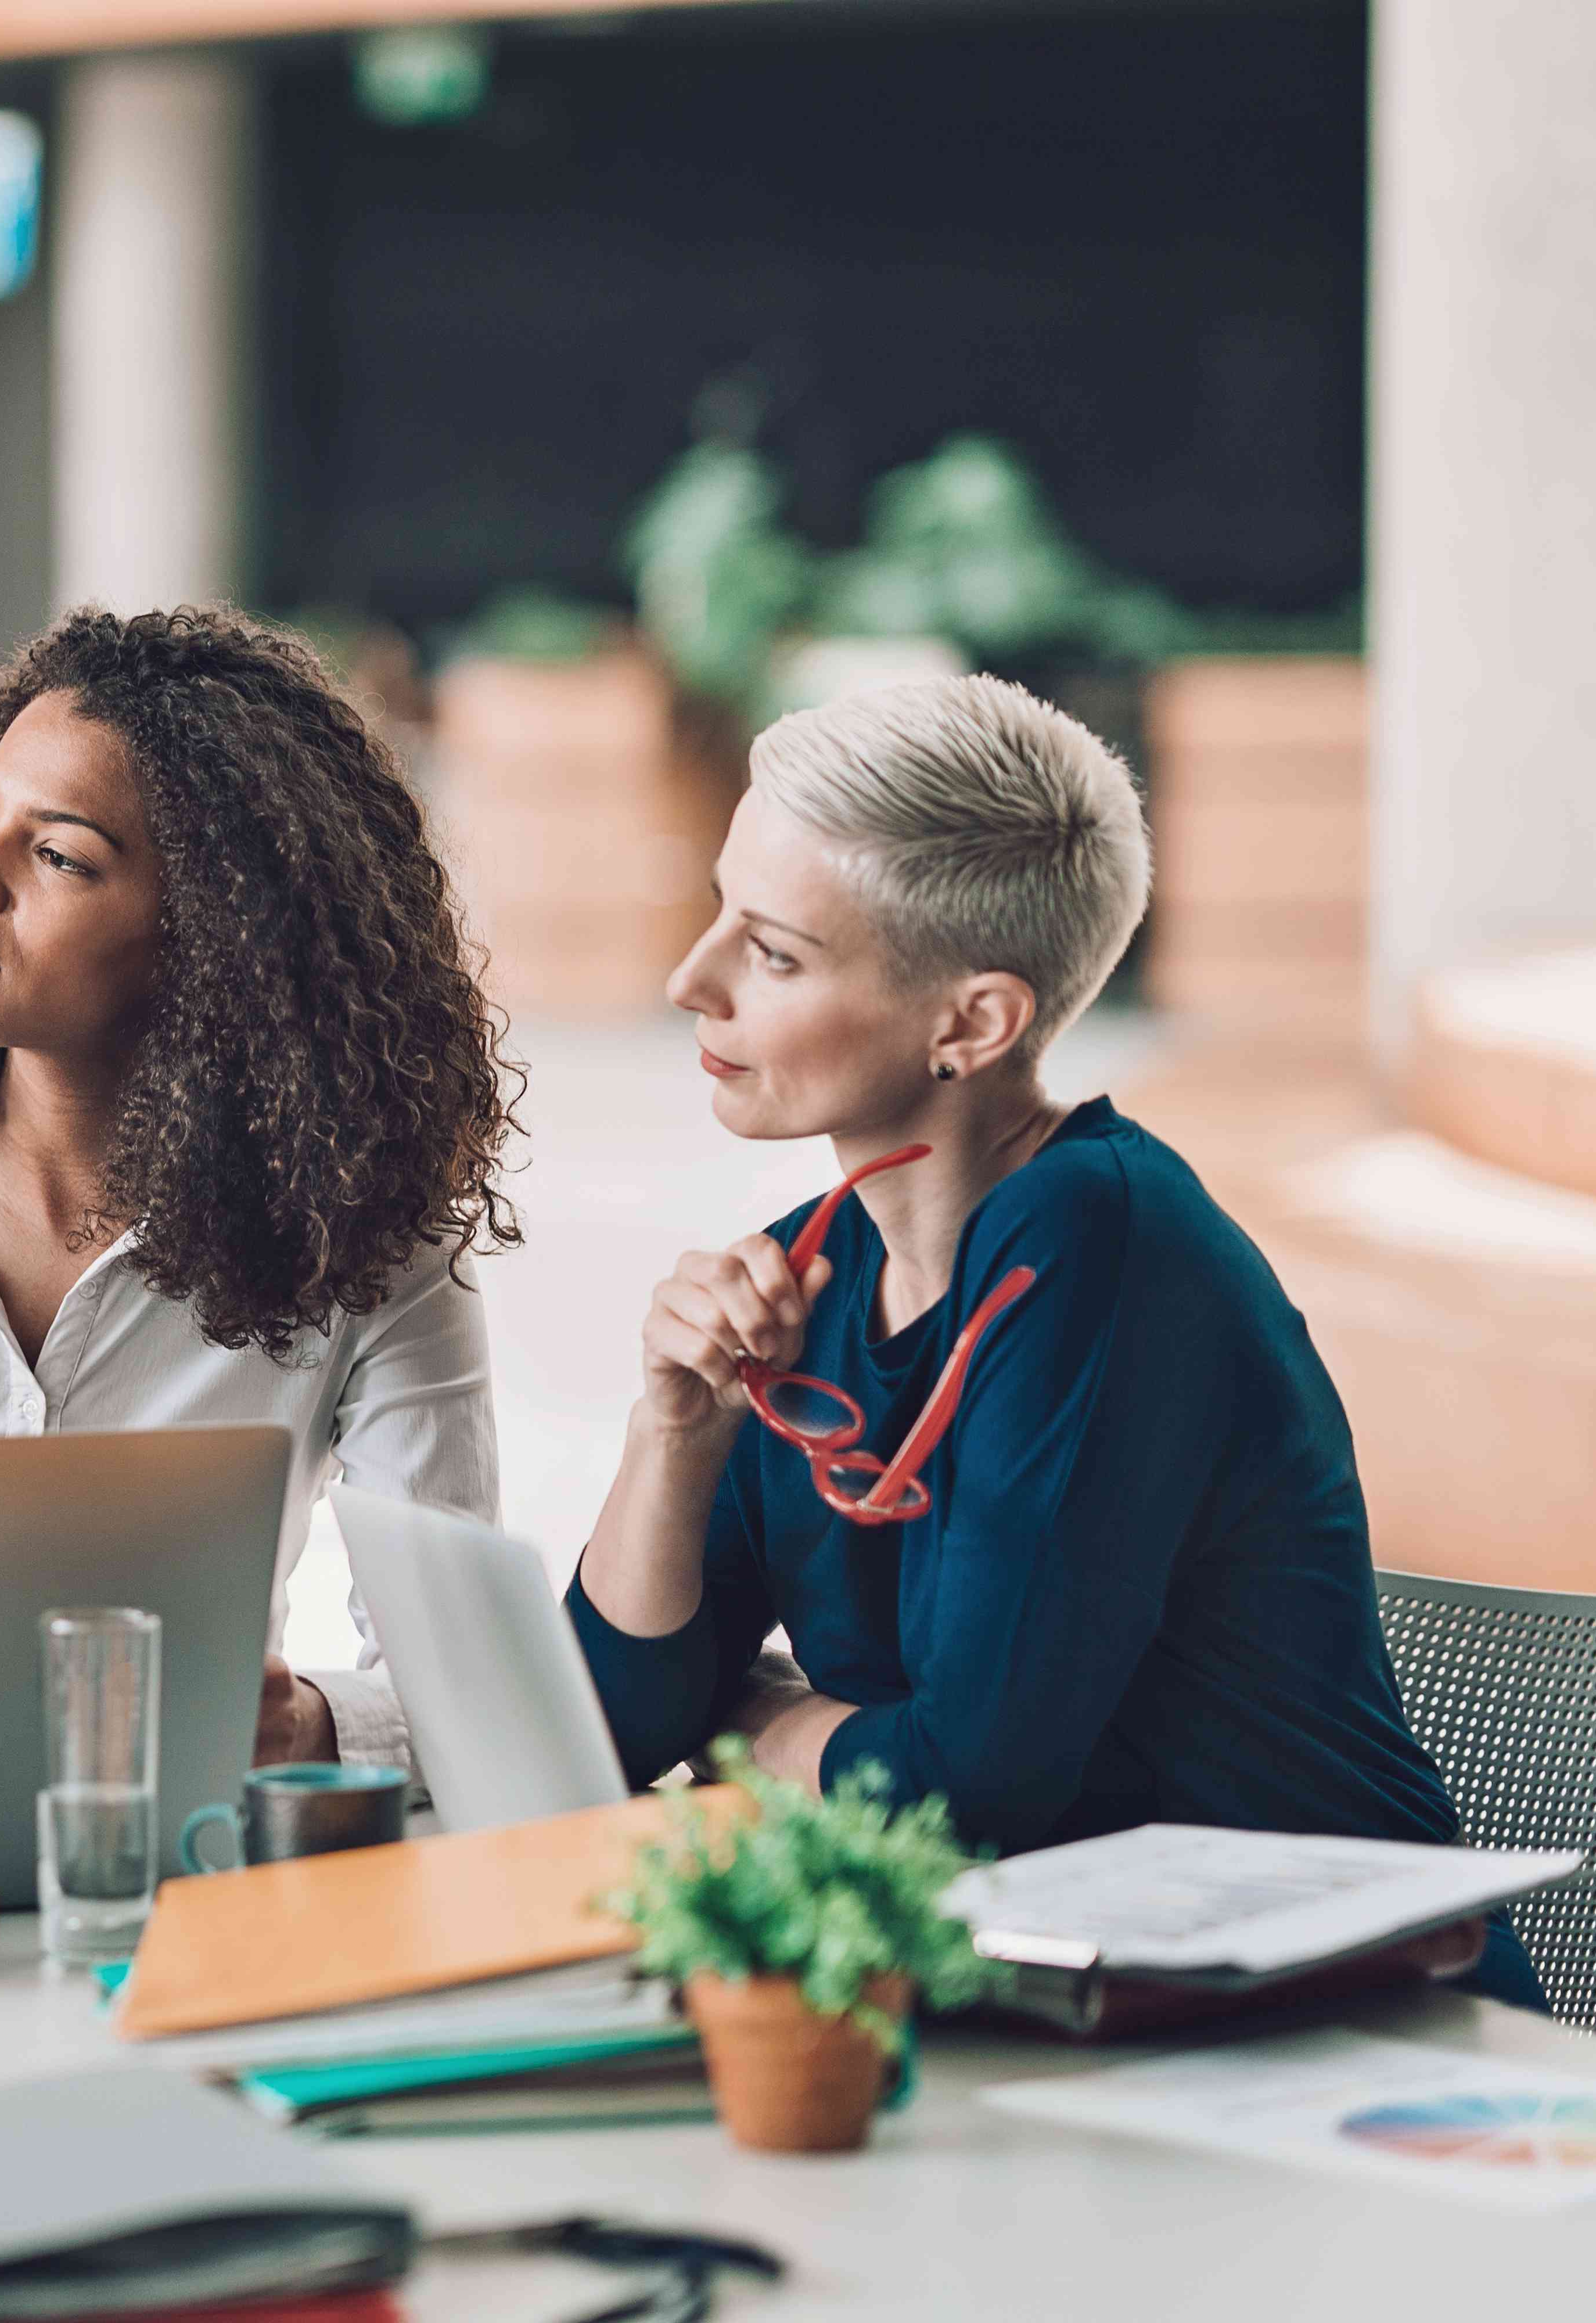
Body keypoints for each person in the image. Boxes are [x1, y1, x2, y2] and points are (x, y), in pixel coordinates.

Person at [566, 674, 1539, 2008]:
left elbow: (971, 1785)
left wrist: (754, 1719)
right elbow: (610, 1728)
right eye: (720, 912)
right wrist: (673, 1435)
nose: (691, 979)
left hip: (1352, 2026)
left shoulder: (1104, 1241)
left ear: (972, 1023)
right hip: (1055, 2007)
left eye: (775, 953)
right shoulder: (816, 1264)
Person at [0, 606, 519, 1765]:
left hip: (176, 1868)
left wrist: (316, 1724)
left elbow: (467, 1668)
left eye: (60, 854)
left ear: (213, 940)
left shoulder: (367, 1233)